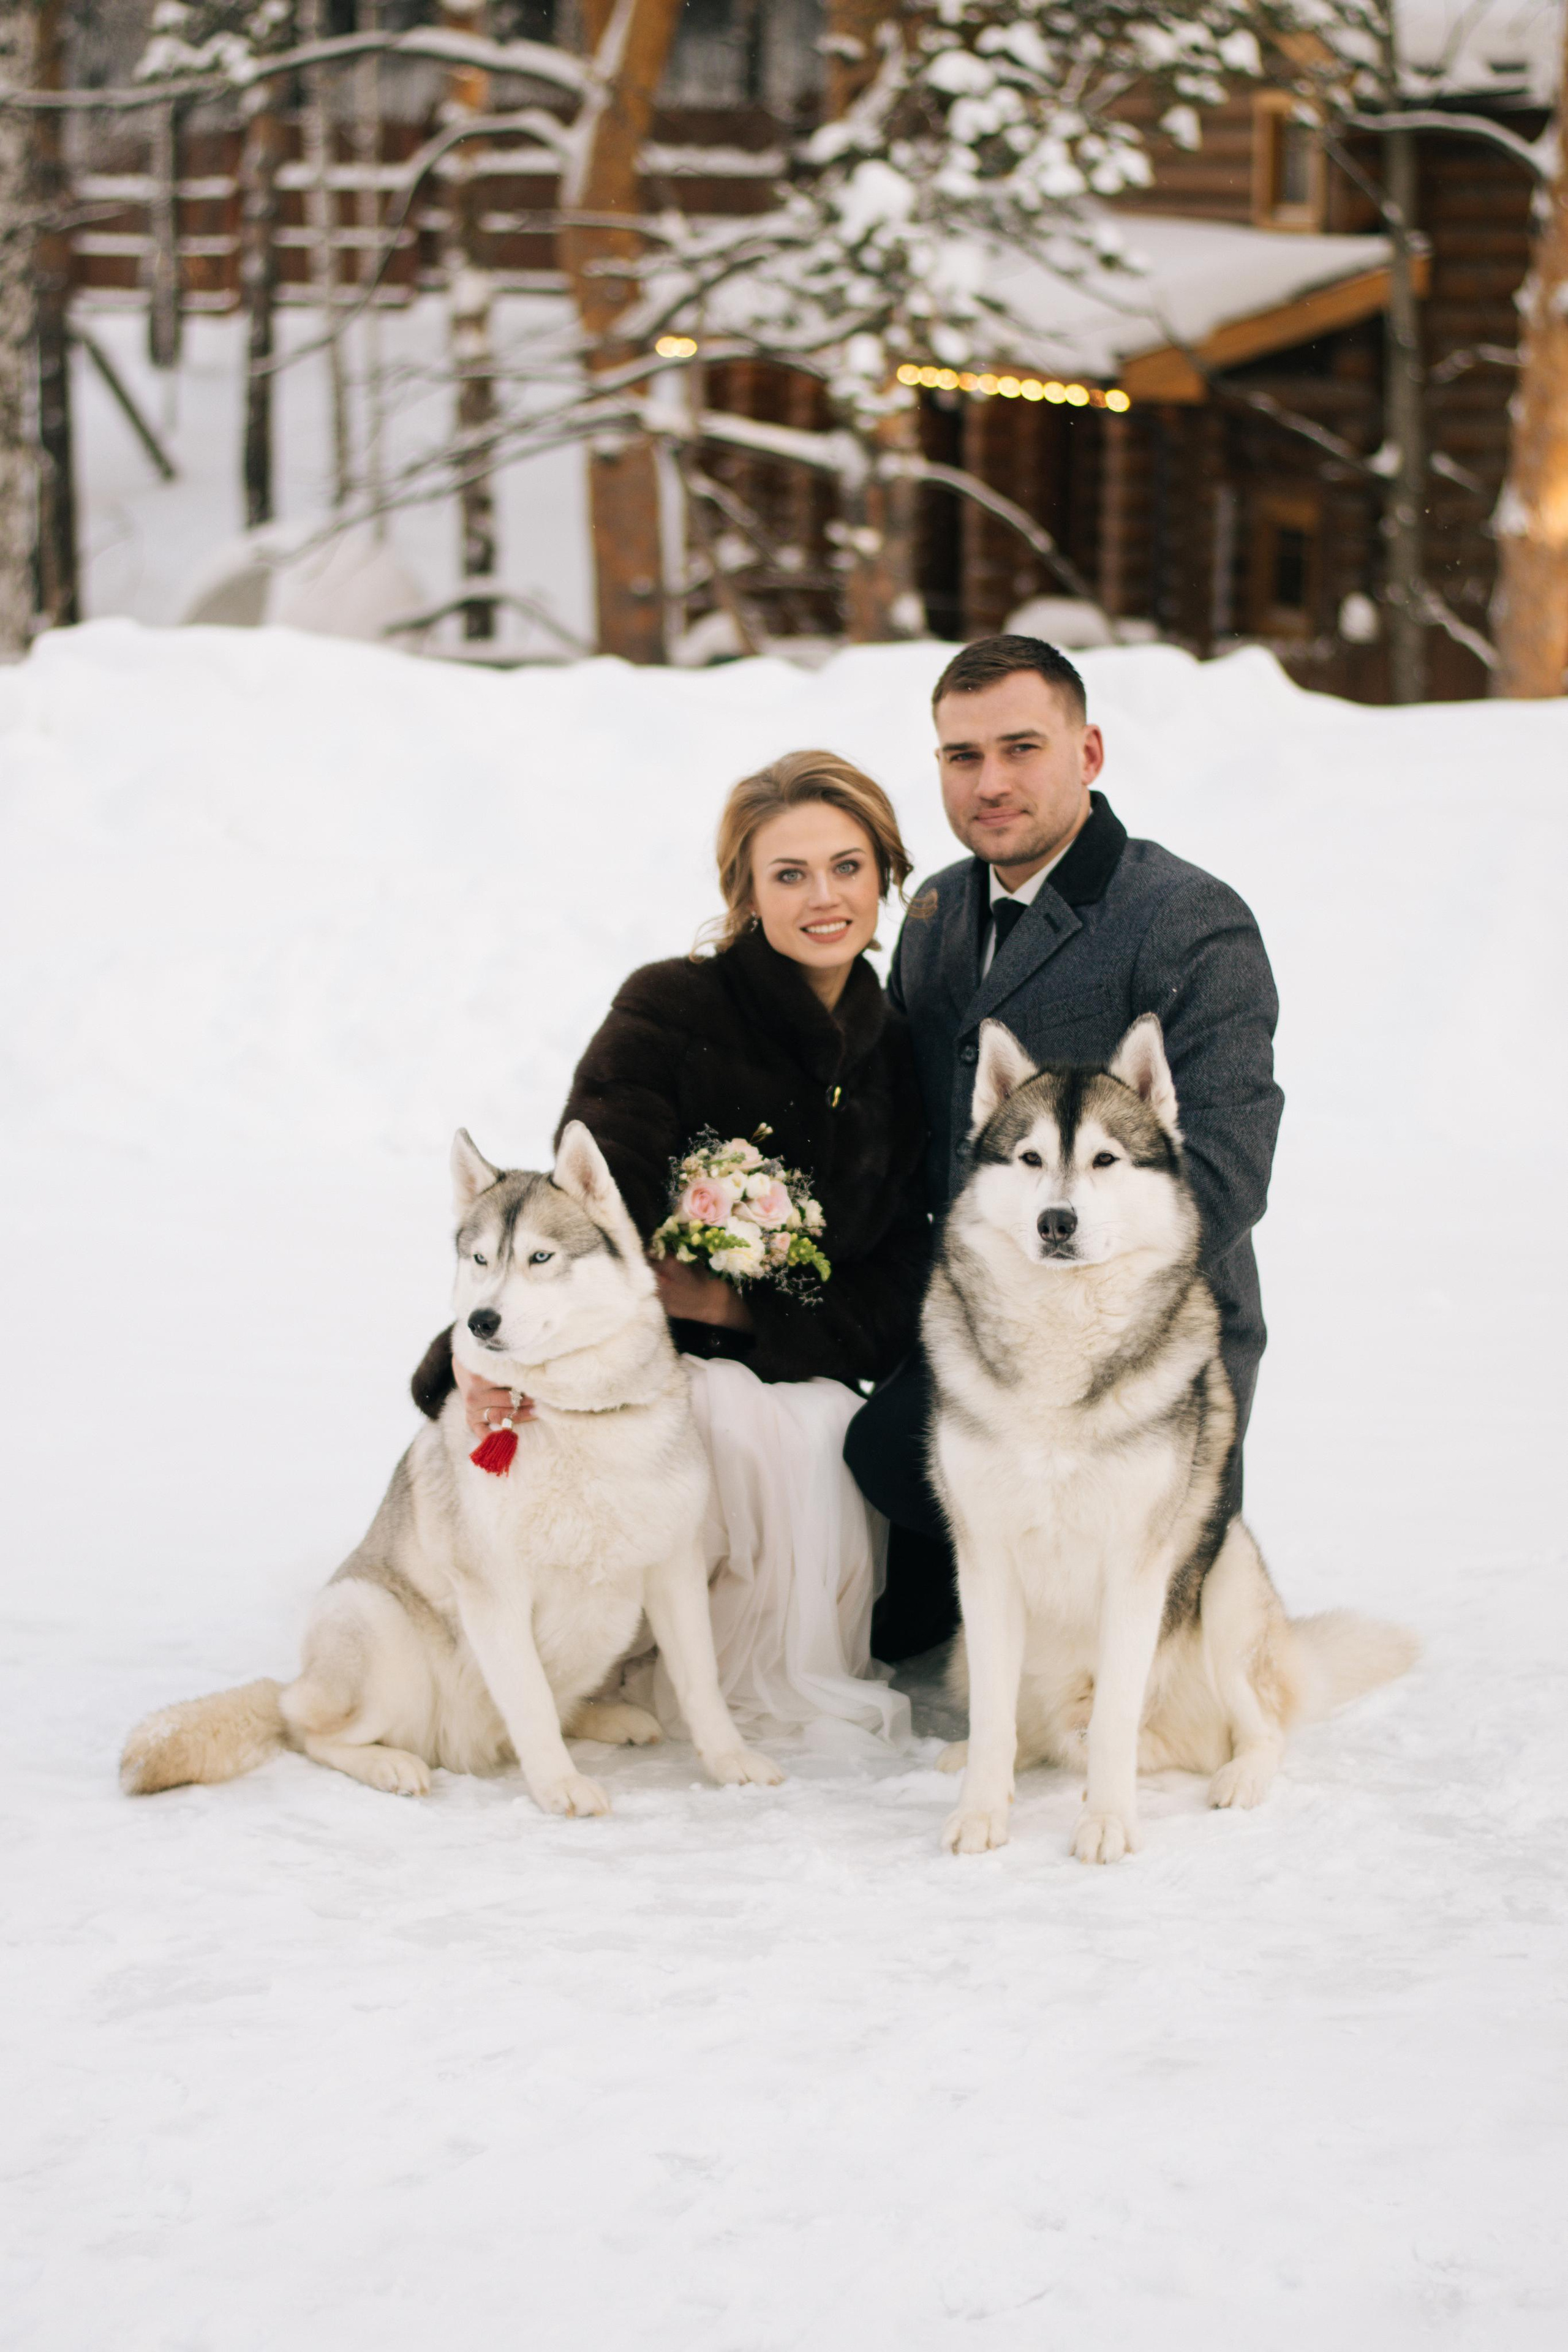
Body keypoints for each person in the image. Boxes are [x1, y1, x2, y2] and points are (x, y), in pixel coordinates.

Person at [411, 750, 929, 1747]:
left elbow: (895, 1278)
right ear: (744, 894)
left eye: (848, 866)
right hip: (637, 1364)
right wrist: (476, 1361)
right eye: (788, 874)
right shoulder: (669, 1009)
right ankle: (624, 1666)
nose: (824, 898)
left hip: (795, 1353)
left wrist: (747, 1311)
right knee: (726, 1422)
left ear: (885, 875)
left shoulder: (899, 1054)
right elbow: (579, 1210)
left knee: (820, 1430)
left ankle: (754, 1672)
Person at [846, 633, 1284, 1662]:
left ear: (1089, 753)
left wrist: (1059, 1313)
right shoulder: (940, 912)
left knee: (1126, 1658)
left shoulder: (1186, 920)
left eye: (1020, 748)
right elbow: (907, 1135)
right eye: (962, 757)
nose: (990, 783)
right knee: (882, 1576)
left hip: (1140, 1353)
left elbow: (1228, 1163)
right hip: (977, 1331)